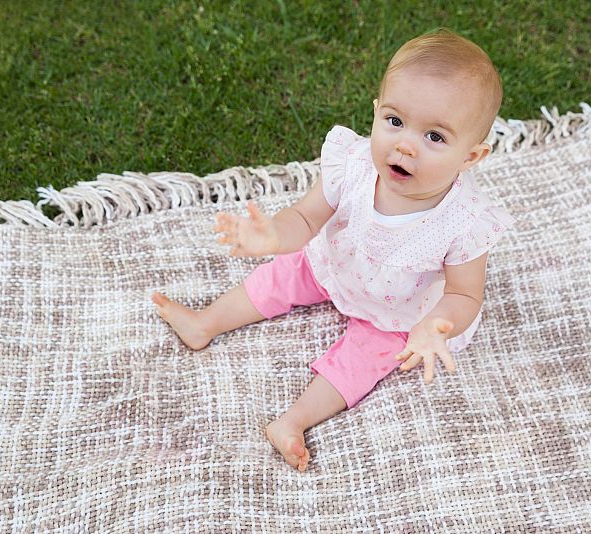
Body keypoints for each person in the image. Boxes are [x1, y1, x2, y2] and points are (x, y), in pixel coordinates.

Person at [152, 28, 515, 472]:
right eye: (395, 122)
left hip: (398, 310)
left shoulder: (465, 220)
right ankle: (204, 323)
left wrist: (435, 326)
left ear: (471, 156)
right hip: (335, 263)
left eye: (434, 137)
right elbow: (305, 219)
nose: (404, 144)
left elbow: (464, 294)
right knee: (281, 275)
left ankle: (293, 421)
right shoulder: (354, 165)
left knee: (362, 360)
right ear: (377, 112)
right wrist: (273, 238)